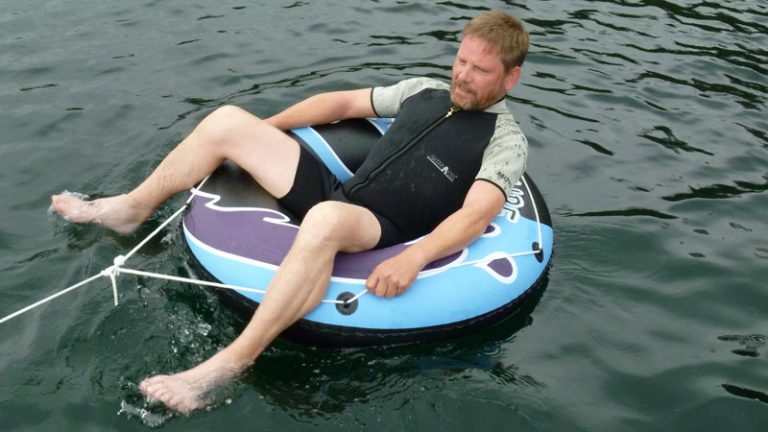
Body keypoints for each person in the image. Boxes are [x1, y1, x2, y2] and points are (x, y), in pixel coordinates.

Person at [51, 11, 530, 413]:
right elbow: (342, 103)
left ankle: (230, 363)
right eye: (461, 61)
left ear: (511, 77)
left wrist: (414, 256)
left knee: (326, 218)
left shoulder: (505, 141)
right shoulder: (424, 90)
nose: (462, 76)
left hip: (381, 226)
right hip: (338, 190)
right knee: (227, 121)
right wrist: (264, 130)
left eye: (480, 70)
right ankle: (130, 209)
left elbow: (476, 214)